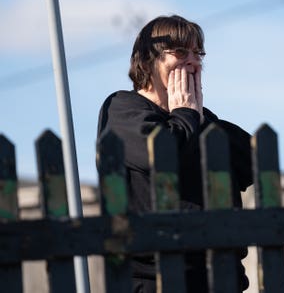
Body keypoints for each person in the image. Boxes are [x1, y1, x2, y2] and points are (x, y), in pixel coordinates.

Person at [97, 15, 253, 292]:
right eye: (180, 52)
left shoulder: (200, 120)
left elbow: (251, 164)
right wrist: (185, 114)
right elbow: (159, 153)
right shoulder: (123, 108)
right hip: (154, 280)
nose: (192, 61)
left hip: (220, 278)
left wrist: (198, 116)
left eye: (197, 54)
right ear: (147, 61)